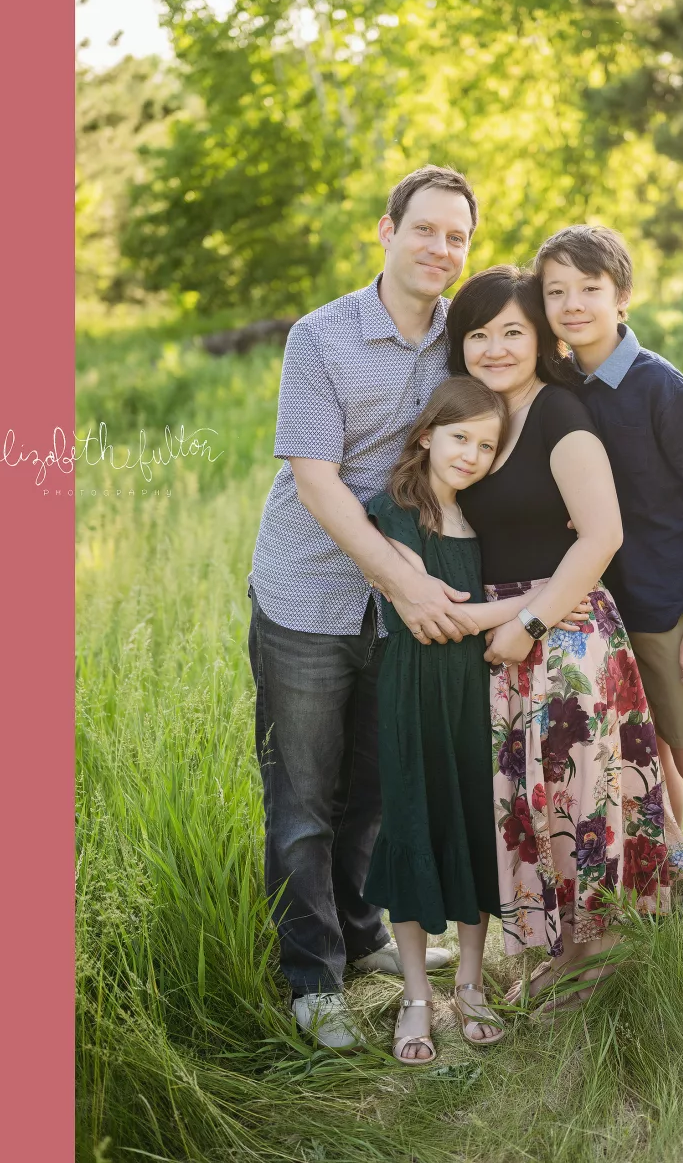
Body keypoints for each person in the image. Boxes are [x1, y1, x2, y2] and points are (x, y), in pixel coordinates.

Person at [248, 166, 489, 1050]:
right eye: (425, 229)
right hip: (310, 594)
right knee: (305, 797)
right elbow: (316, 483)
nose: (440, 249)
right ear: (385, 232)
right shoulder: (320, 337)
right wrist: (405, 581)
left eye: (457, 236)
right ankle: (311, 976)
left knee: (374, 792)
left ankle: (358, 936)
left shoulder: (459, 341)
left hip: (405, 609)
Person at [451, 266, 683, 1010]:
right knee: (537, 798)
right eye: (478, 334)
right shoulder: (481, 415)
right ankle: (562, 949)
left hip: (562, 629)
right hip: (505, 629)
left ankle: (602, 951)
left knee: (577, 795)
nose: (495, 348)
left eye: (513, 332)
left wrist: (529, 625)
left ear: (540, 339)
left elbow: (601, 535)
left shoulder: (559, 414)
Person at [535, 224, 683, 973]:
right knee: (646, 768)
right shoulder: (563, 387)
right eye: (555, 291)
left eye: (589, 289)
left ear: (622, 297)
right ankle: (676, 881)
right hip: (606, 618)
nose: (571, 304)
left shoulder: (656, 383)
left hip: (670, 612)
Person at [364, 376, 595, 1062]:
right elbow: (439, 620)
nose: (470, 453)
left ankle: (468, 983)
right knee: (413, 825)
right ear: (427, 434)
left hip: (480, 692)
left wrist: (537, 600)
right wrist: (552, 597)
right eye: (459, 436)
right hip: (413, 692)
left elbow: (480, 619)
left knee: (473, 825)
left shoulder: (481, 523)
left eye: (486, 445)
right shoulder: (392, 514)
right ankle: (415, 996)